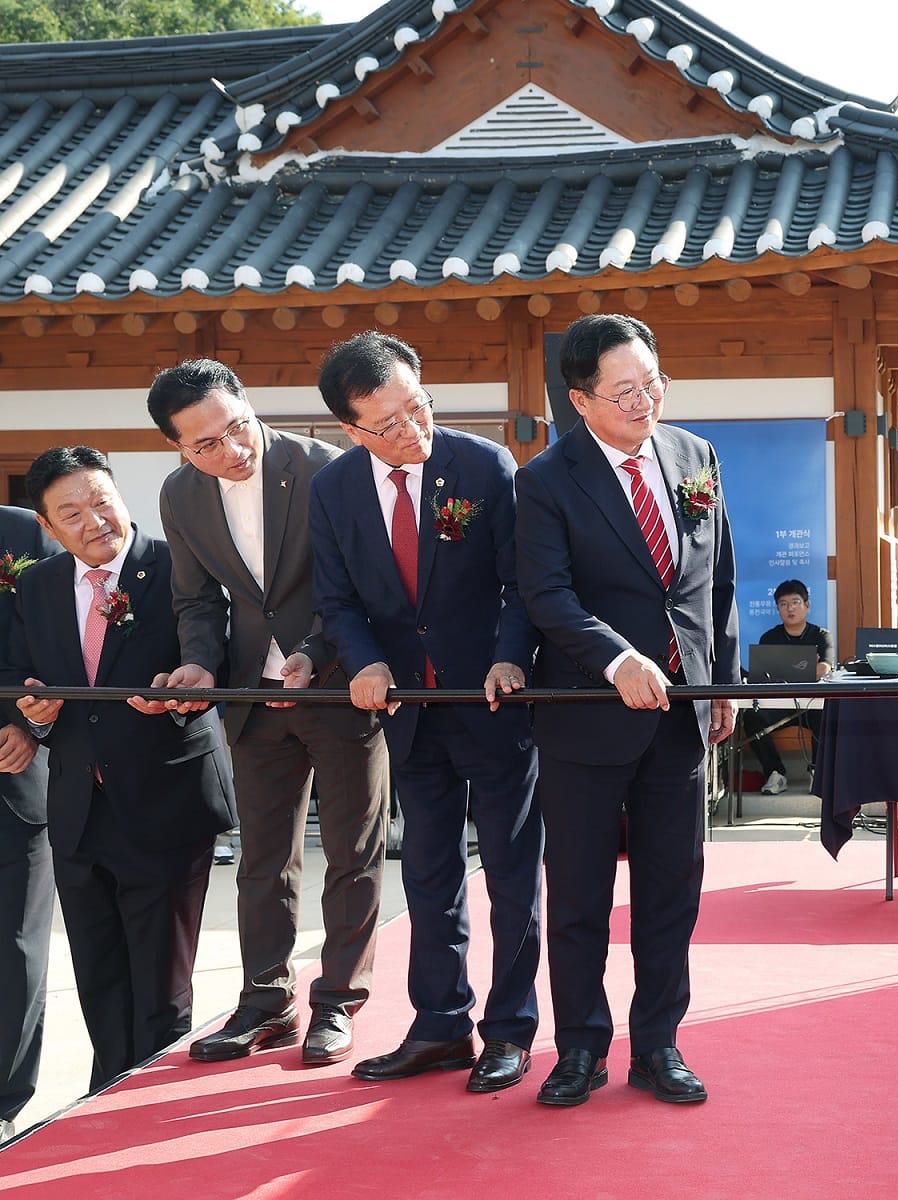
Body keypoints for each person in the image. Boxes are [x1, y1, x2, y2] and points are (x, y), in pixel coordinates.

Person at [308, 332, 543, 1094]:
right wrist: (364, 660)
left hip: (492, 699)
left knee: (511, 873)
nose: (414, 429)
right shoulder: (335, 488)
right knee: (428, 875)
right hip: (407, 707)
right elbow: (337, 599)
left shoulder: (481, 464)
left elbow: (519, 581)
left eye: (420, 405)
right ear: (350, 430)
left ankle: (509, 1030)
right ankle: (440, 1025)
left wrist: (512, 657)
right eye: (389, 422)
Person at [515, 312, 738, 1108]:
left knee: (671, 893)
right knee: (578, 895)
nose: (647, 402)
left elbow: (717, 582)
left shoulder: (694, 455)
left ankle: (659, 1045)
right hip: (585, 719)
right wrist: (616, 657)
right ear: (581, 400)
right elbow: (547, 596)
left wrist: (724, 687)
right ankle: (579, 1047)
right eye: (625, 392)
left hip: (682, 718)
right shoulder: (546, 479)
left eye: (654, 383)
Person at [145, 361, 390, 1069]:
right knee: (262, 859)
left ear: (249, 405)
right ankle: (265, 1001)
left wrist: (313, 652)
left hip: (340, 686)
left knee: (352, 852)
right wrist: (199, 663)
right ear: (179, 449)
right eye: (207, 445)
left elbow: (355, 585)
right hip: (251, 698)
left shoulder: (326, 468)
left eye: (237, 427)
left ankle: (338, 1001)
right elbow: (197, 602)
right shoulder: (181, 495)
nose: (232, 451)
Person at [2, 448, 236, 1093]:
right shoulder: (39, 585)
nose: (93, 521)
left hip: (165, 797)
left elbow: (219, 651)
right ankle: (102, 1098)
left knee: (161, 984)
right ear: (49, 528)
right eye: (71, 514)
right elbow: (16, 672)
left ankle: (153, 1105)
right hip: (77, 806)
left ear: (120, 494)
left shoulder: (178, 565)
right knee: (99, 975)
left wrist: (193, 683)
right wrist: (31, 711)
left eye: (101, 501)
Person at [0, 507, 56, 1142]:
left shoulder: (20, 533)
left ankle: (5, 1099)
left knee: (15, 945)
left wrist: (29, 723)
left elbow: (46, 638)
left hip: (9, 766)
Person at [740, 578, 832, 795]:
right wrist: (809, 666)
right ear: (778, 609)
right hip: (779, 703)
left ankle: (817, 772)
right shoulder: (769, 637)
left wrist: (790, 669)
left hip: (811, 704)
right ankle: (775, 773)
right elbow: (762, 676)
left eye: (796, 602)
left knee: (826, 714)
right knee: (753, 718)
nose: (790, 608)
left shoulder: (821, 636)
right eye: (783, 604)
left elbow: (824, 670)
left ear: (807, 606)